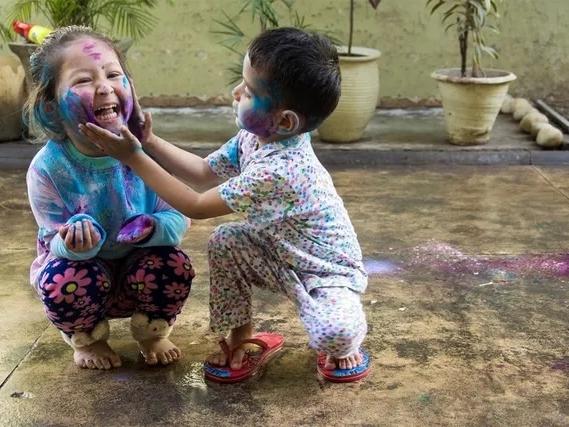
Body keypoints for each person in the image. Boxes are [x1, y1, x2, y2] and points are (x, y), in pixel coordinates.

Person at [81, 27, 370, 383]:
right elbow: (203, 173)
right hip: (280, 254)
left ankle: (347, 338)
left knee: (332, 334)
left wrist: (133, 156)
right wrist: (150, 141)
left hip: (326, 272)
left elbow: (197, 205)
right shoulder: (255, 136)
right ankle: (241, 338)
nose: (236, 93)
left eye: (248, 91)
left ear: (285, 121)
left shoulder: (282, 170)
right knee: (227, 239)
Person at [25, 26, 194, 370]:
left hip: (140, 270)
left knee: (175, 264)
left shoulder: (147, 152)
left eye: (114, 74)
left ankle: (152, 331)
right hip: (86, 277)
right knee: (61, 279)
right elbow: (50, 240)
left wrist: (153, 228)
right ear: (52, 106)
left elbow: (180, 216)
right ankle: (88, 339)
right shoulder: (48, 168)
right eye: (83, 80)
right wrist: (73, 243)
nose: (104, 86)